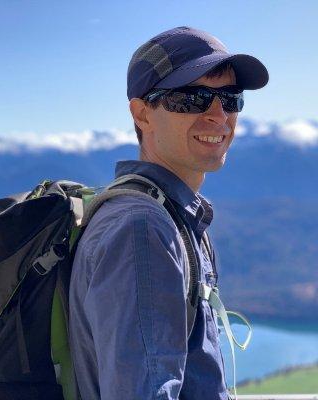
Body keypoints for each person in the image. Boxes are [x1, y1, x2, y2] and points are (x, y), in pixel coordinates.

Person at [69, 26, 269, 400]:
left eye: (230, 98)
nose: (218, 115)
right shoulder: (142, 230)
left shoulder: (173, 217)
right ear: (142, 113)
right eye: (191, 98)